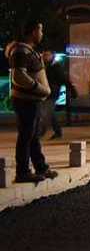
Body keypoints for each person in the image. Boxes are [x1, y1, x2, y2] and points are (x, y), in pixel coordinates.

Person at [6, 20, 57, 183]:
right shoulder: (20, 50)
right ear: (33, 32)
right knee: (26, 136)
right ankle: (23, 172)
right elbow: (19, 76)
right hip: (25, 100)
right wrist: (40, 88)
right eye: (40, 30)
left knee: (33, 136)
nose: (42, 34)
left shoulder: (28, 50)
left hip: (32, 100)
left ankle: (40, 167)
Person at [41, 50, 76, 139]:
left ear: (52, 56)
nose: (45, 57)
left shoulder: (56, 67)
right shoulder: (45, 66)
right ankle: (57, 131)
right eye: (44, 55)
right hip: (45, 92)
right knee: (50, 113)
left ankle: (40, 132)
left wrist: (72, 90)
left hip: (52, 93)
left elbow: (64, 79)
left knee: (45, 113)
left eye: (47, 55)